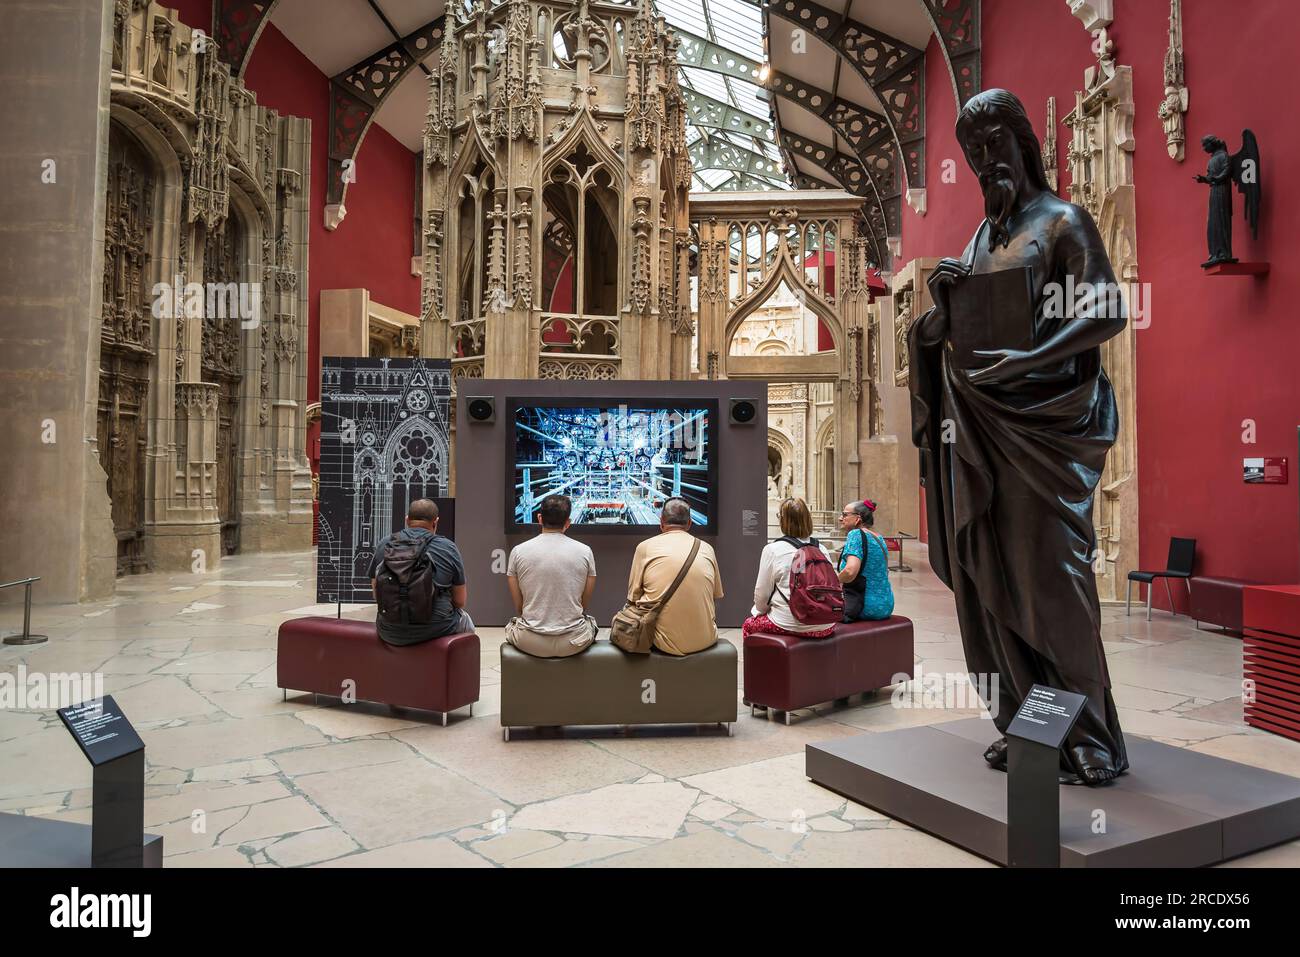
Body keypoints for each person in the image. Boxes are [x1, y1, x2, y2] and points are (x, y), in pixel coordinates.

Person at [908, 88, 1127, 783]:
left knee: (1053, 579)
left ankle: (1089, 733)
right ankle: (1031, 723)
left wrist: (1031, 360)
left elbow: (1109, 308)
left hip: (1046, 433)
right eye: (972, 152)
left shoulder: (1062, 221)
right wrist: (934, 321)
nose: (984, 161)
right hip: (979, 435)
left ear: (1022, 142)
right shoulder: (980, 240)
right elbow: (951, 337)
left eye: (994, 143)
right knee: (991, 579)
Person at [626, 497, 723, 656]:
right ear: (690, 523)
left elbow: (633, 598)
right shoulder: (707, 549)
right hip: (706, 638)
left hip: (662, 643)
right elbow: (716, 595)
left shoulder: (645, 547)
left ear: (661, 522)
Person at [505, 494, 598, 658]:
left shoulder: (518, 552)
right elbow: (583, 606)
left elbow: (520, 608)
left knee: (512, 625)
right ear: (568, 523)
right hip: (574, 642)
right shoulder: (585, 552)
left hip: (529, 641)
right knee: (590, 622)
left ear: (539, 518)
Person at [368, 498, 472, 645]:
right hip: (437, 628)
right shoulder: (448, 547)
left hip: (389, 630)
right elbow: (460, 601)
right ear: (435, 522)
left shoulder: (385, 544)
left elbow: (376, 593)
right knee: (466, 620)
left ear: (407, 520)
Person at [744, 497, 837, 638]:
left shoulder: (772, 549)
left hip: (789, 623)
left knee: (749, 625)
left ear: (783, 520)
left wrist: (760, 611)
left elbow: (761, 595)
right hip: (826, 623)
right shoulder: (821, 549)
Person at [836, 499, 894, 622]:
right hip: (886, 604)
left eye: (845, 514)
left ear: (858, 519)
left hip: (863, 605)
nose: (840, 518)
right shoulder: (878, 537)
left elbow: (850, 571)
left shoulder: (855, 534)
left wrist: (833, 582)